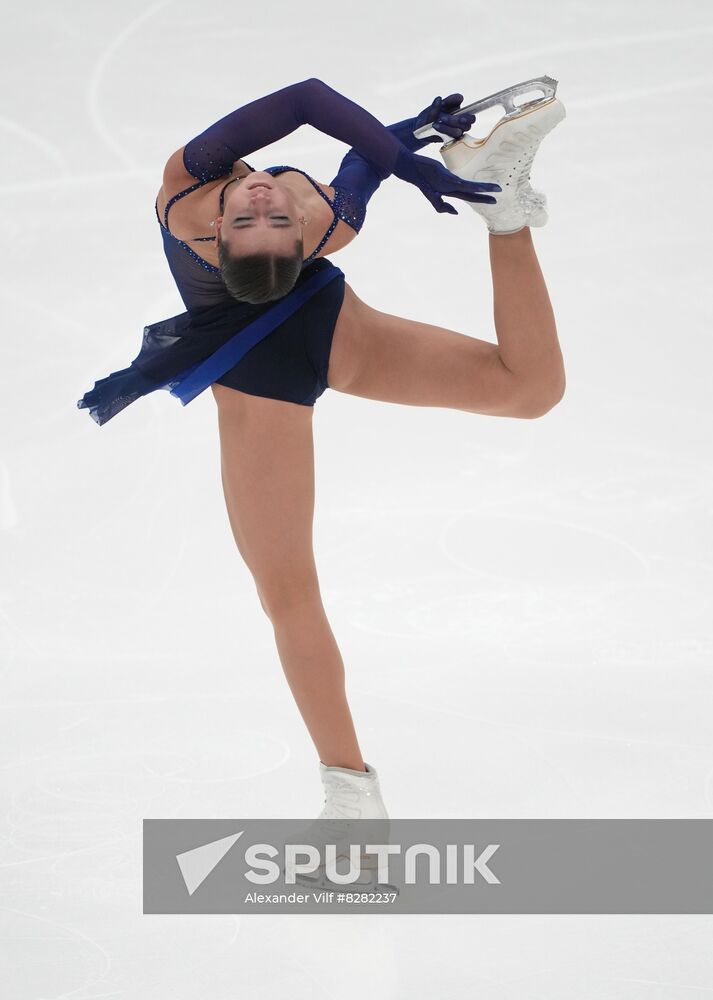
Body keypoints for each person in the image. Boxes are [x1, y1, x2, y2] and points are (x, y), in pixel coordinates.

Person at [77, 77, 566, 826]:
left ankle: (501, 205)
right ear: (216, 242)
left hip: (321, 319)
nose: (266, 196)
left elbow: (311, 102)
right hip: (256, 374)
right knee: (288, 593)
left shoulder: (245, 202)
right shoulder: (281, 215)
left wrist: (407, 138)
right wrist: (398, 153)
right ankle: (352, 797)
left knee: (529, 390)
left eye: (265, 214)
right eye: (262, 215)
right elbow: (336, 140)